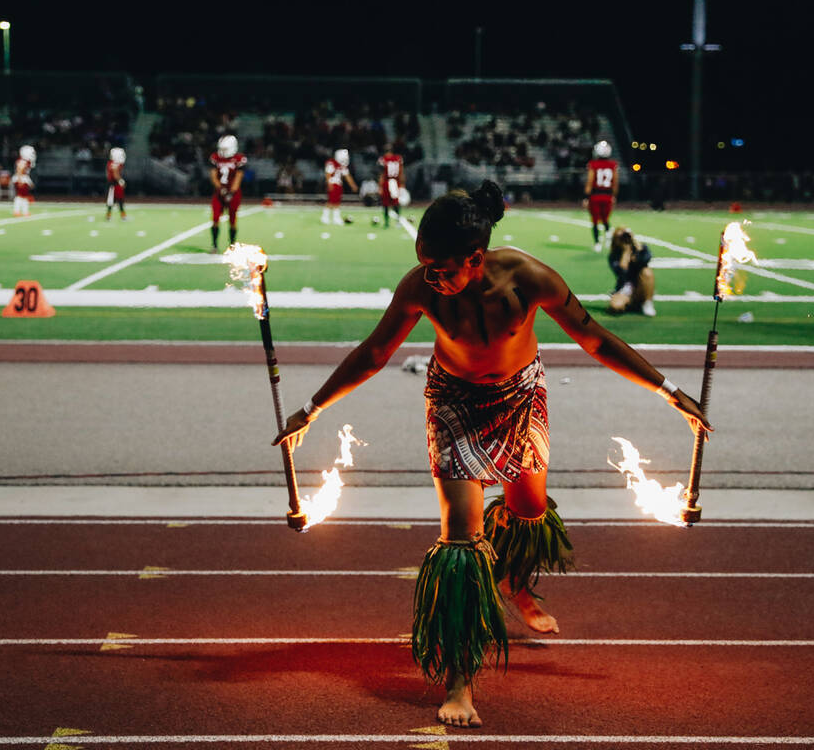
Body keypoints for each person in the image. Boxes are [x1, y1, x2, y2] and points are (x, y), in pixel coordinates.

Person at [272, 181, 709, 728]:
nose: (432, 277)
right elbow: (374, 352)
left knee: (528, 510)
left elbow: (594, 338)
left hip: (522, 398)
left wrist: (671, 393)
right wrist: (310, 410)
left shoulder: (530, 278)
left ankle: (516, 583)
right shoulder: (421, 288)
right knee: (460, 543)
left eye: (443, 268)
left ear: (476, 259)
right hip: (453, 407)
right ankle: (460, 679)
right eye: (424, 265)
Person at [607, 227, 656, 316]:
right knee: (615, 307)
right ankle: (632, 304)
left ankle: (647, 303)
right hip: (625, 287)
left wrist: (638, 248)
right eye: (620, 237)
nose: (624, 239)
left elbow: (646, 260)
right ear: (615, 240)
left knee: (647, 272)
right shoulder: (613, 255)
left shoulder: (641, 248)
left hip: (640, 286)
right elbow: (622, 272)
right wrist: (626, 252)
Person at [209, 135, 246, 253]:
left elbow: (238, 177)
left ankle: (232, 246)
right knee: (215, 218)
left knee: (232, 220)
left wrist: (231, 192)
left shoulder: (239, 159)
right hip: (219, 192)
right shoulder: (215, 157)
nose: (223, 152)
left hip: (233, 193)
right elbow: (213, 176)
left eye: (225, 149)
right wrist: (221, 189)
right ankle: (214, 245)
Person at [584, 140, 619, 252]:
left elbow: (590, 181)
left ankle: (597, 243)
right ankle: (609, 239)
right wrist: (614, 195)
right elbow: (615, 182)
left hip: (595, 195)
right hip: (608, 195)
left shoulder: (593, 164)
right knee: (605, 219)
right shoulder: (613, 165)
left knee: (595, 220)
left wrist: (586, 196)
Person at [321, 148, 357, 226]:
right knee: (331, 202)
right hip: (333, 183)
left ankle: (335, 218)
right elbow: (328, 174)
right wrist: (329, 184)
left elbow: (347, 176)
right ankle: (325, 217)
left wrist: (353, 185)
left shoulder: (342, 166)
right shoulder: (331, 163)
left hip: (339, 184)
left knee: (337, 202)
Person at [376, 143, 405, 228]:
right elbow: (401, 172)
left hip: (387, 182)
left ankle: (387, 222)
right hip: (395, 182)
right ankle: (398, 221)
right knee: (395, 203)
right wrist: (402, 184)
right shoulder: (398, 158)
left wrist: (380, 186)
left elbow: (381, 174)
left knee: (385, 203)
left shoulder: (383, 159)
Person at [12, 145, 35, 216]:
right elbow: (19, 170)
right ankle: (18, 211)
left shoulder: (25, 161)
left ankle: (24, 211)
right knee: (21, 196)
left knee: (24, 196)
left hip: (23, 178)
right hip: (21, 179)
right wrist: (20, 180)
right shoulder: (23, 161)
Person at [106, 147, 127, 221]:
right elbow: (115, 173)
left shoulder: (110, 163)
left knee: (111, 201)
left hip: (111, 184)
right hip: (115, 184)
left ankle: (109, 216)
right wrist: (120, 181)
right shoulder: (115, 164)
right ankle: (122, 216)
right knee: (118, 200)